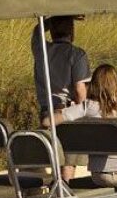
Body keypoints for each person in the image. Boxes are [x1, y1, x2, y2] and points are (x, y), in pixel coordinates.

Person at [46, 64, 117, 188]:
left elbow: (48, 122)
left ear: (94, 84)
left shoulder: (87, 107)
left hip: (100, 177)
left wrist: (58, 111)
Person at [31, 15, 90, 181]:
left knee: (55, 156)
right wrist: (83, 110)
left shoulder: (41, 50)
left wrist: (54, 20)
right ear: (72, 31)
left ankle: (58, 187)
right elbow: (80, 90)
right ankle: (65, 189)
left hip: (46, 111)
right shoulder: (77, 54)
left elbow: (37, 30)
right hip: (66, 110)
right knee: (68, 160)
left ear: (53, 31)